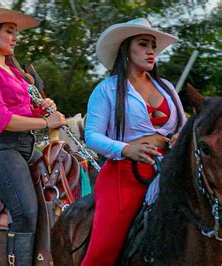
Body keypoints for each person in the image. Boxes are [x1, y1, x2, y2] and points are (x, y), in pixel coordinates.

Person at [0, 6, 67, 265]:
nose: (15, 37)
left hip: (27, 145)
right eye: (9, 31)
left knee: (66, 181)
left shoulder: (18, 75)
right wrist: (45, 121)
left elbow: (27, 110)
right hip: (1, 148)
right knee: (26, 212)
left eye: (15, 32)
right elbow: (1, 119)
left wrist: (44, 107)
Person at [83, 18, 187, 265]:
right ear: (126, 50)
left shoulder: (167, 87)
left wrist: (179, 137)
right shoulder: (106, 90)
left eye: (153, 45)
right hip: (125, 176)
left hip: (171, 171)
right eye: (143, 44)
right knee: (103, 250)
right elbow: (92, 136)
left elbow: (184, 127)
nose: (151, 51)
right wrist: (126, 148)